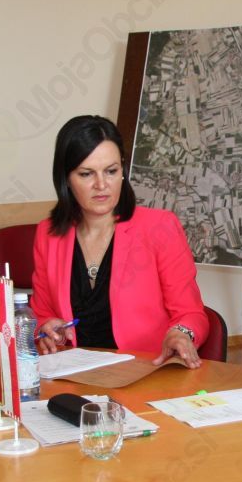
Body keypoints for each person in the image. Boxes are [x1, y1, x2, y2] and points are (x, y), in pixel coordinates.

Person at [30, 115, 208, 367]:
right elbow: (41, 313)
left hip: (144, 370)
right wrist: (45, 327)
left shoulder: (160, 227)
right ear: (66, 179)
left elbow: (191, 313)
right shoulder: (48, 234)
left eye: (111, 171)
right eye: (86, 174)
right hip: (73, 373)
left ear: (122, 171)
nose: (101, 184)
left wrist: (182, 333)